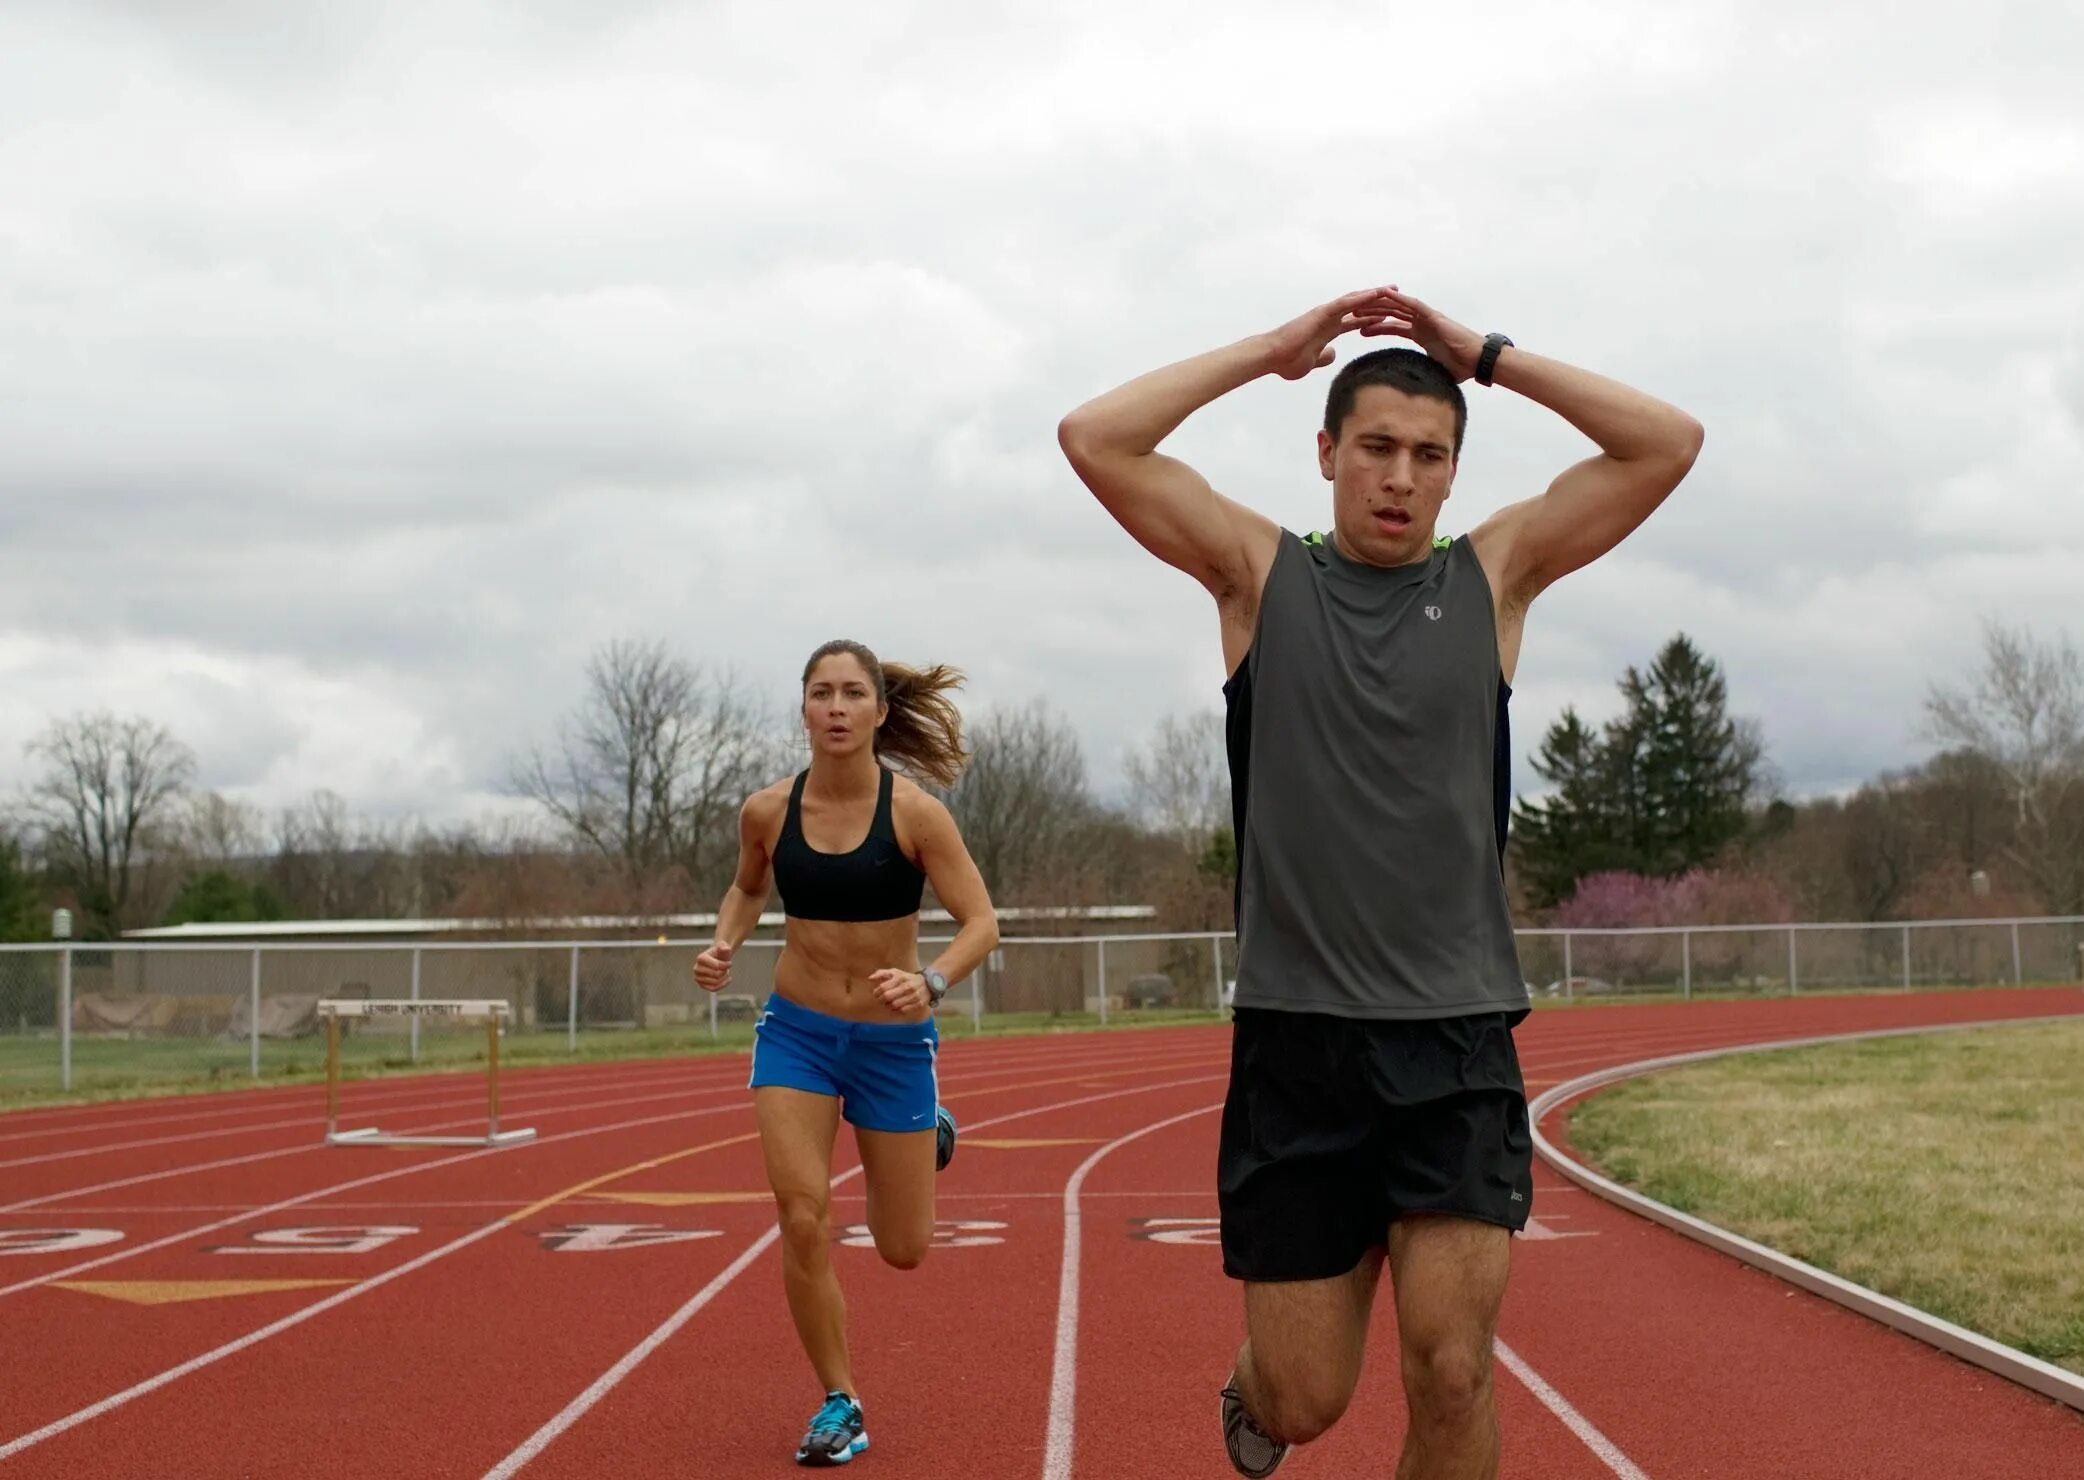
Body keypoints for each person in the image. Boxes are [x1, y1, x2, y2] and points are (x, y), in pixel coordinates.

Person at [1057, 287, 1702, 1479]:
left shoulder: (1494, 578)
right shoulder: (1259, 577)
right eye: (1376, 450)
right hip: (1298, 1047)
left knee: (1452, 1370)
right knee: (1306, 1400)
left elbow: (1667, 442)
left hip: (1454, 1042)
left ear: (1453, 471)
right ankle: (1262, 1386)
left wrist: (1487, 357)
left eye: (1427, 455)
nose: (1399, 477)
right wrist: (1269, 352)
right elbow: (1096, 438)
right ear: (1328, 454)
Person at [693, 638, 999, 1469]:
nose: (836, 707)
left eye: (852, 693)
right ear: (803, 709)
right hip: (796, 1033)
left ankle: (928, 1123)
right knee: (802, 1218)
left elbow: (982, 923)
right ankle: (841, 1400)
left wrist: (930, 984)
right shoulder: (766, 810)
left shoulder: (915, 814)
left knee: (903, 1249)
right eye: (821, 693)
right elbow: (751, 885)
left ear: (879, 711)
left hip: (894, 1044)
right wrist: (724, 943)